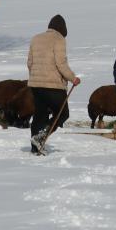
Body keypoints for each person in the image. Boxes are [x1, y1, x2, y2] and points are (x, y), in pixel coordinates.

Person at [27, 14, 80, 154]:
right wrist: (72, 78)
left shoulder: (36, 38)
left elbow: (29, 63)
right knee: (62, 114)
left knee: (39, 115)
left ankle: (35, 147)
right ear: (63, 29)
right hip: (53, 86)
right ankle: (41, 137)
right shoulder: (59, 39)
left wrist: (35, 78)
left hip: (35, 85)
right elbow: (60, 64)